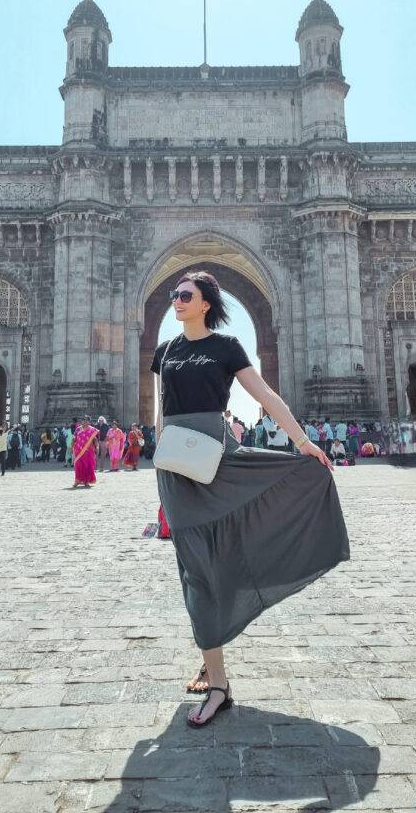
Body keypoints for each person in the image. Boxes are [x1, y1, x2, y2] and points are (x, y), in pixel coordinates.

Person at [151, 270, 348, 728]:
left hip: (220, 458)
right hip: (179, 468)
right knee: (194, 569)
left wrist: (302, 442)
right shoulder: (164, 352)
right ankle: (217, 672)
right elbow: (162, 414)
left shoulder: (226, 347)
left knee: (220, 560)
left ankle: (213, 662)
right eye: (173, 295)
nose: (175, 302)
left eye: (184, 296)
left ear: (205, 304)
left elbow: (263, 393)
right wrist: (161, 475)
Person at [72, 417, 98, 487]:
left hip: (88, 451)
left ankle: (86, 481)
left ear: (89, 422)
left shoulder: (92, 430)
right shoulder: (78, 429)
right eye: (84, 420)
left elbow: (95, 439)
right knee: (78, 465)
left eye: (87, 420)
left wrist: (97, 447)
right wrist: (72, 446)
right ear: (82, 421)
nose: (85, 421)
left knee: (87, 466)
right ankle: (77, 480)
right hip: (78, 450)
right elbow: (74, 437)